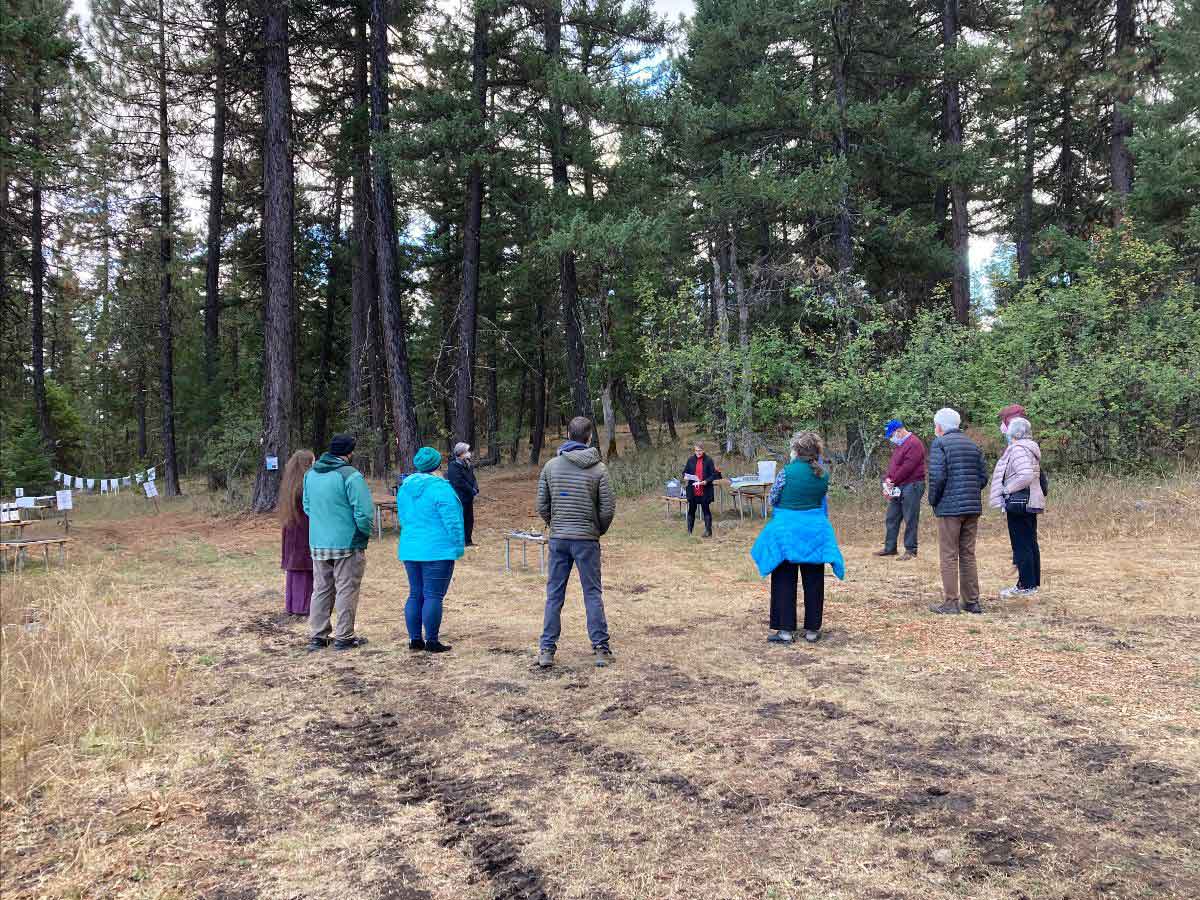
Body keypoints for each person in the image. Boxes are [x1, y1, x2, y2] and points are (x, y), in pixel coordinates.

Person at [536, 416, 616, 669]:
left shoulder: (551, 466)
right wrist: (596, 530)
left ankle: (547, 649)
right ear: (589, 437)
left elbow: (542, 505)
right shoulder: (599, 468)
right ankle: (601, 648)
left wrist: (555, 524)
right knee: (592, 593)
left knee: (554, 595)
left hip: (560, 538)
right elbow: (607, 508)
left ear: (568, 435)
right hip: (586, 540)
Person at [753, 432, 845, 644]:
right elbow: (821, 499)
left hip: (787, 532)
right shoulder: (823, 474)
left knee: (784, 580)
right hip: (814, 531)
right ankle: (812, 630)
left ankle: (785, 631)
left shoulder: (786, 472)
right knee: (814, 580)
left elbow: (773, 498)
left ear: (796, 450)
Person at [303, 433, 374, 651]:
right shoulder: (350, 475)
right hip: (347, 542)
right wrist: (362, 533)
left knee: (321, 589)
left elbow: (307, 507)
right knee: (346, 589)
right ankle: (344, 637)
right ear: (349, 452)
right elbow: (363, 512)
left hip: (318, 542)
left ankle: (318, 635)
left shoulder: (310, 475)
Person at [397, 447, 464, 653]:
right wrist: (458, 545)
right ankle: (432, 641)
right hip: (437, 549)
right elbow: (453, 521)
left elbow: (403, 517)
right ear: (437, 465)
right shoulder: (441, 488)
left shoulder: (404, 488)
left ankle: (415, 639)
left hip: (411, 548)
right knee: (433, 595)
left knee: (416, 594)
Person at [926, 408, 990, 615]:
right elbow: (982, 478)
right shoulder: (972, 444)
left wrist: (933, 500)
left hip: (950, 507)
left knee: (949, 554)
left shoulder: (940, 444)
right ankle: (972, 601)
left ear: (939, 427)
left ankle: (951, 602)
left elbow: (937, 477)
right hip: (972, 507)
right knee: (968, 553)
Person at [988, 417, 1044, 598]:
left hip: (1019, 503)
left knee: (1021, 544)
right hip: (1030, 501)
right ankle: (1032, 583)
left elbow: (1026, 475)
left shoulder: (1018, 449)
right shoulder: (1029, 447)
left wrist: (1007, 489)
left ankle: (1025, 585)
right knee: (1029, 542)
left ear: (1014, 433)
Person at [875, 419, 926, 560]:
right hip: (899, 485)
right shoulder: (901, 445)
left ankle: (911, 550)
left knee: (910, 517)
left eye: (891, 435)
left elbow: (908, 467)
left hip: (913, 484)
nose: (891, 438)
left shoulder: (914, 443)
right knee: (892, 517)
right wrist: (888, 479)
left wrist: (893, 481)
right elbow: (895, 465)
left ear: (899, 431)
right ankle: (890, 548)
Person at [279, 449, 315, 616]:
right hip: (303, 532)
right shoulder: (303, 486)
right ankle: (302, 606)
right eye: (313, 462)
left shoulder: (290, 484)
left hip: (293, 532)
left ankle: (293, 604)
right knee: (303, 569)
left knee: (295, 569)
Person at [680, 442, 723, 537]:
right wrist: (685, 477)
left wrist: (706, 481)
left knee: (706, 510)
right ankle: (689, 532)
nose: (698, 452)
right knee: (691, 510)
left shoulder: (708, 460)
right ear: (694, 450)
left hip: (704, 489)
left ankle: (708, 532)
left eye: (700, 450)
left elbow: (714, 475)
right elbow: (684, 472)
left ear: (703, 450)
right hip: (693, 489)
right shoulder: (690, 460)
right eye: (696, 450)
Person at [446, 442, 480, 546]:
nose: (469, 453)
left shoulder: (468, 464)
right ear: (460, 453)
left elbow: (473, 478)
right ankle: (459, 541)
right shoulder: (453, 466)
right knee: (461, 519)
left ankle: (468, 541)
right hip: (460, 497)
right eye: (467, 451)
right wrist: (471, 490)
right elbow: (459, 482)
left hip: (468, 497)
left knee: (469, 519)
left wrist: (476, 488)